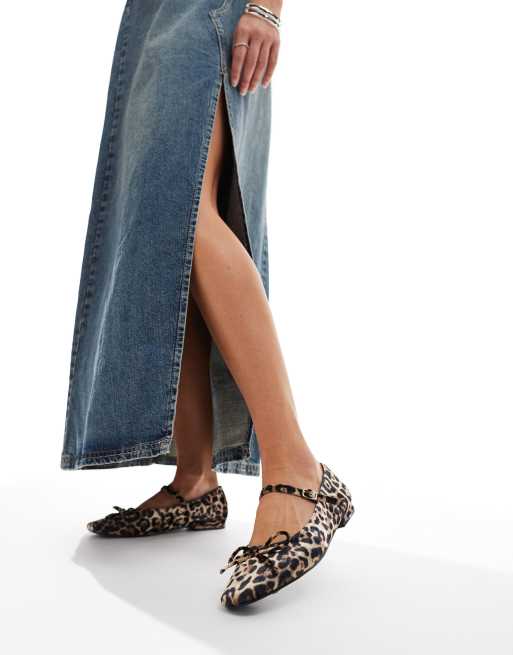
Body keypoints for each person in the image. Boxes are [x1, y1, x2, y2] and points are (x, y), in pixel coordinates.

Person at [61, 0, 354, 609]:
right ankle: (195, 478)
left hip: (213, 11)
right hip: (154, 16)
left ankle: (297, 468)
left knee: (188, 217)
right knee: (165, 233)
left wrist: (266, 8)